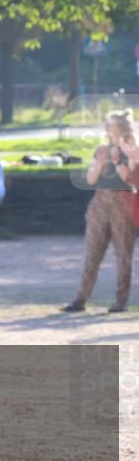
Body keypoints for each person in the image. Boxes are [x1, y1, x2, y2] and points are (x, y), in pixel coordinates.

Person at [61, 110, 136, 314]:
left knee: (123, 254)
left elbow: (128, 177)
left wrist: (118, 159)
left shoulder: (131, 149)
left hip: (123, 204)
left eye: (109, 123)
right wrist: (101, 162)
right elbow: (91, 179)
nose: (105, 127)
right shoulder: (102, 149)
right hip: (100, 203)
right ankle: (80, 299)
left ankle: (121, 301)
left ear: (121, 126)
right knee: (92, 252)